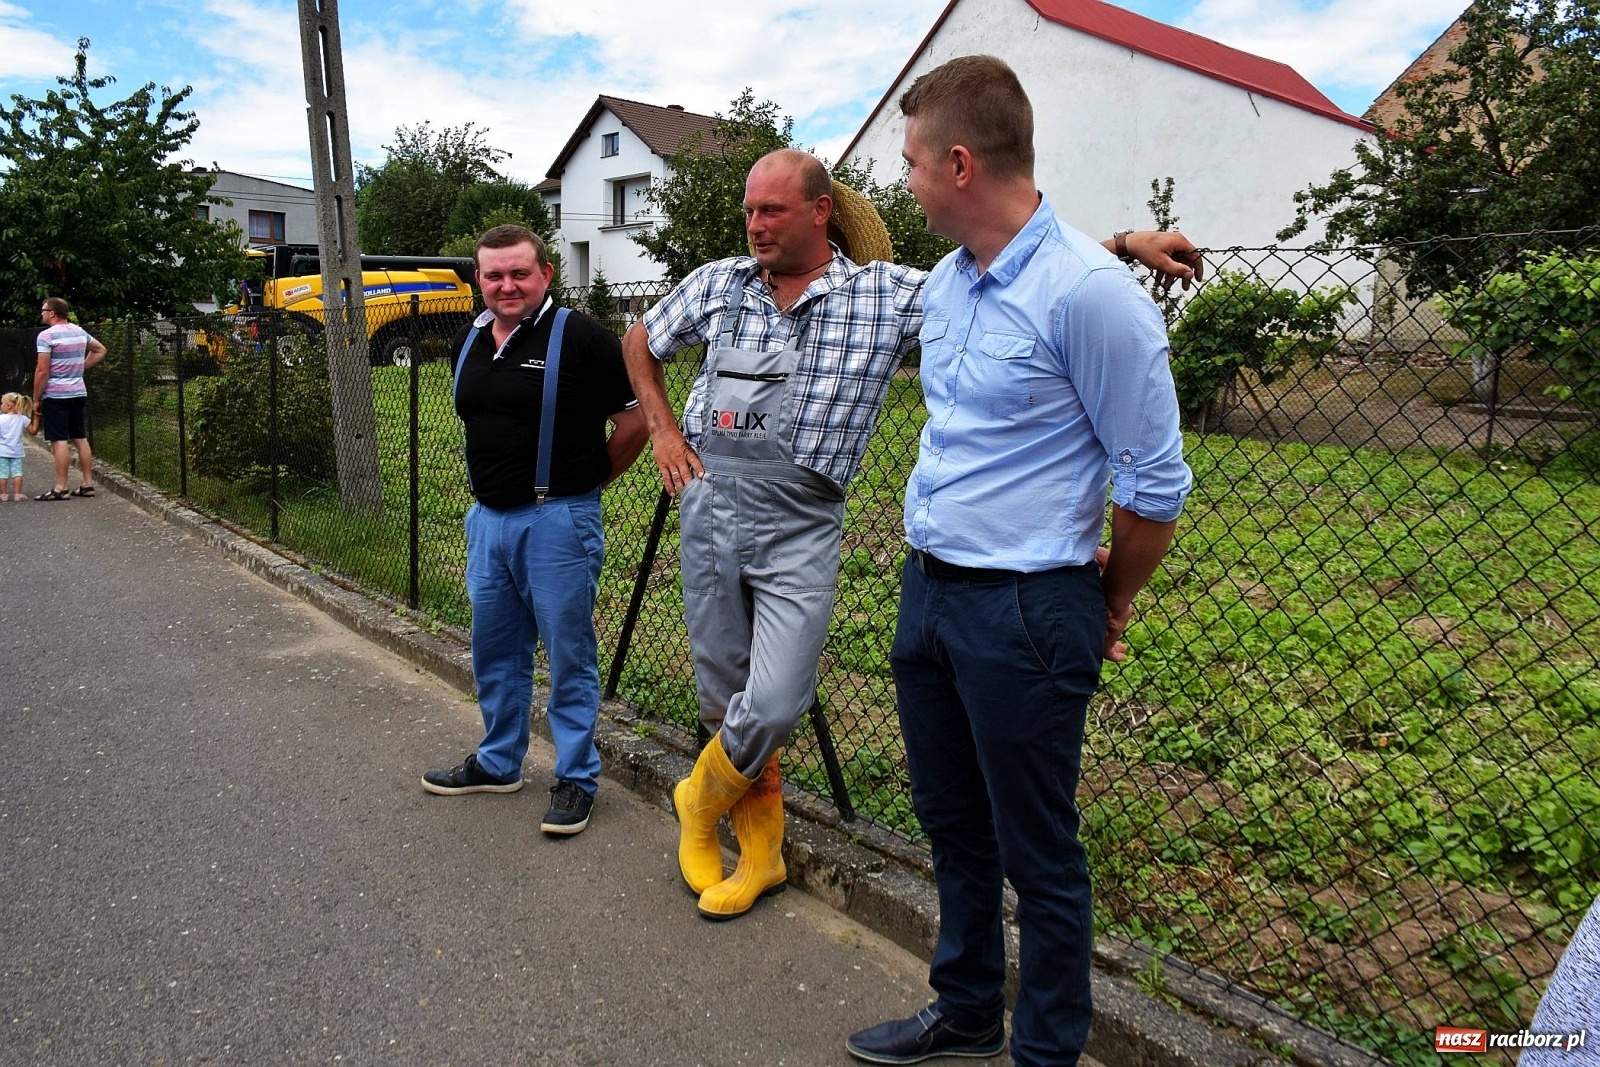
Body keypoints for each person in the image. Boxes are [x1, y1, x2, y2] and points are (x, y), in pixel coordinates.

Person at [623, 149, 1200, 923]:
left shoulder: (884, 297)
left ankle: (697, 800)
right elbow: (641, 339)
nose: (756, 226)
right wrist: (662, 429)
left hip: (800, 515)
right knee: (722, 687)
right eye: (750, 212)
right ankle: (760, 851)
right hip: (709, 501)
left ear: (821, 210)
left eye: (773, 211)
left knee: (776, 696)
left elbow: (1013, 273)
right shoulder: (718, 282)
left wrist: (1124, 243)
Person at [844, 56, 1194, 1067]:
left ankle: (1043, 1050)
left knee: (1039, 851)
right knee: (952, 820)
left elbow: (1154, 489)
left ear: (958, 162)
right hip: (930, 593)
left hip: (1028, 610)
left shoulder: (1090, 297)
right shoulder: (949, 286)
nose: (903, 183)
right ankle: (964, 1009)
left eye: (911, 162)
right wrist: (1128, 235)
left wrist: (1108, 603)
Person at [421, 225, 649, 837]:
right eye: (493, 275)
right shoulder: (469, 339)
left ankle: (576, 778)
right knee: (494, 650)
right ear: (477, 280)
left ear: (546, 274)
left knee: (569, 654)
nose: (506, 285)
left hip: (556, 520)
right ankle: (499, 763)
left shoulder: (581, 338)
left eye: (519, 273)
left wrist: (589, 482)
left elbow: (636, 421)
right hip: (487, 521)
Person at [32, 297, 106, 501]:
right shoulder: (79, 332)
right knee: (80, 437)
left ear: (52, 313)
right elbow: (100, 350)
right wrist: (79, 368)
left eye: (43, 309)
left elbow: (42, 370)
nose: (42, 313)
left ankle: (61, 487)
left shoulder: (46, 336)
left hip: (56, 394)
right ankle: (87, 484)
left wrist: (36, 398)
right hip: (78, 392)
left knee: (59, 439)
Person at [0, 393, 35, 501]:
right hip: (16, 451)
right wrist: (37, 418)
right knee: (17, 473)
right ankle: (17, 494)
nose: (1, 405)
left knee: (2, 473)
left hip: (2, 451)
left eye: (2, 403)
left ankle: (3, 495)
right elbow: (33, 431)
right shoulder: (23, 419)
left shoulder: (1, 419)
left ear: (9, 405)